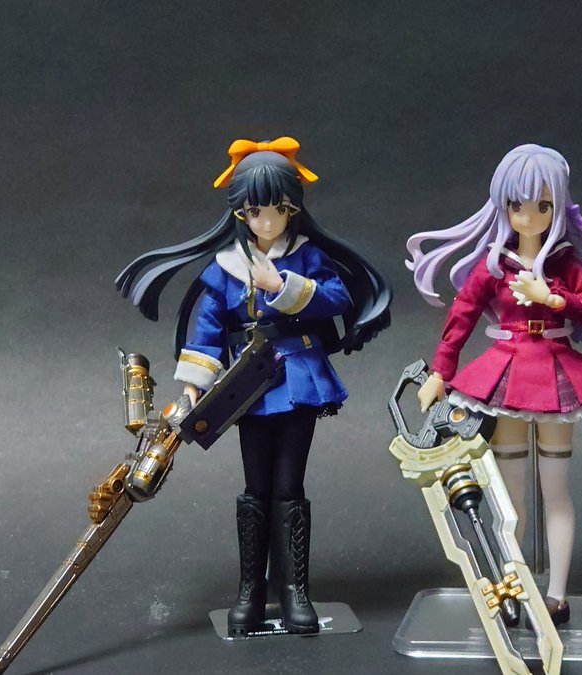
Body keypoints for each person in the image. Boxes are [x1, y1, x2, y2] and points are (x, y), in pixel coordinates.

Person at [116, 137, 391, 634]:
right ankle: (251, 590)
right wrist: (194, 387)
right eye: (256, 211)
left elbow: (335, 298)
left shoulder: (306, 256)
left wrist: (282, 287)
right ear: (241, 211)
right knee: (255, 486)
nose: (267, 221)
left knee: (290, 485)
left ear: (293, 209)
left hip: (299, 376)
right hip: (248, 383)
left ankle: (295, 590)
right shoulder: (227, 266)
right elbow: (208, 326)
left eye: (278, 209)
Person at [406, 143, 582, 624]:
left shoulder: (564, 262)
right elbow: (461, 317)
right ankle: (515, 586)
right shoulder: (495, 264)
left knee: (556, 490)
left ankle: (556, 594)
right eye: (517, 205)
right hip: (505, 375)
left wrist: (551, 298)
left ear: (557, 206)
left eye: (543, 206)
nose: (529, 216)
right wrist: (441, 372)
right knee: (508, 497)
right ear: (503, 206)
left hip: (556, 371)